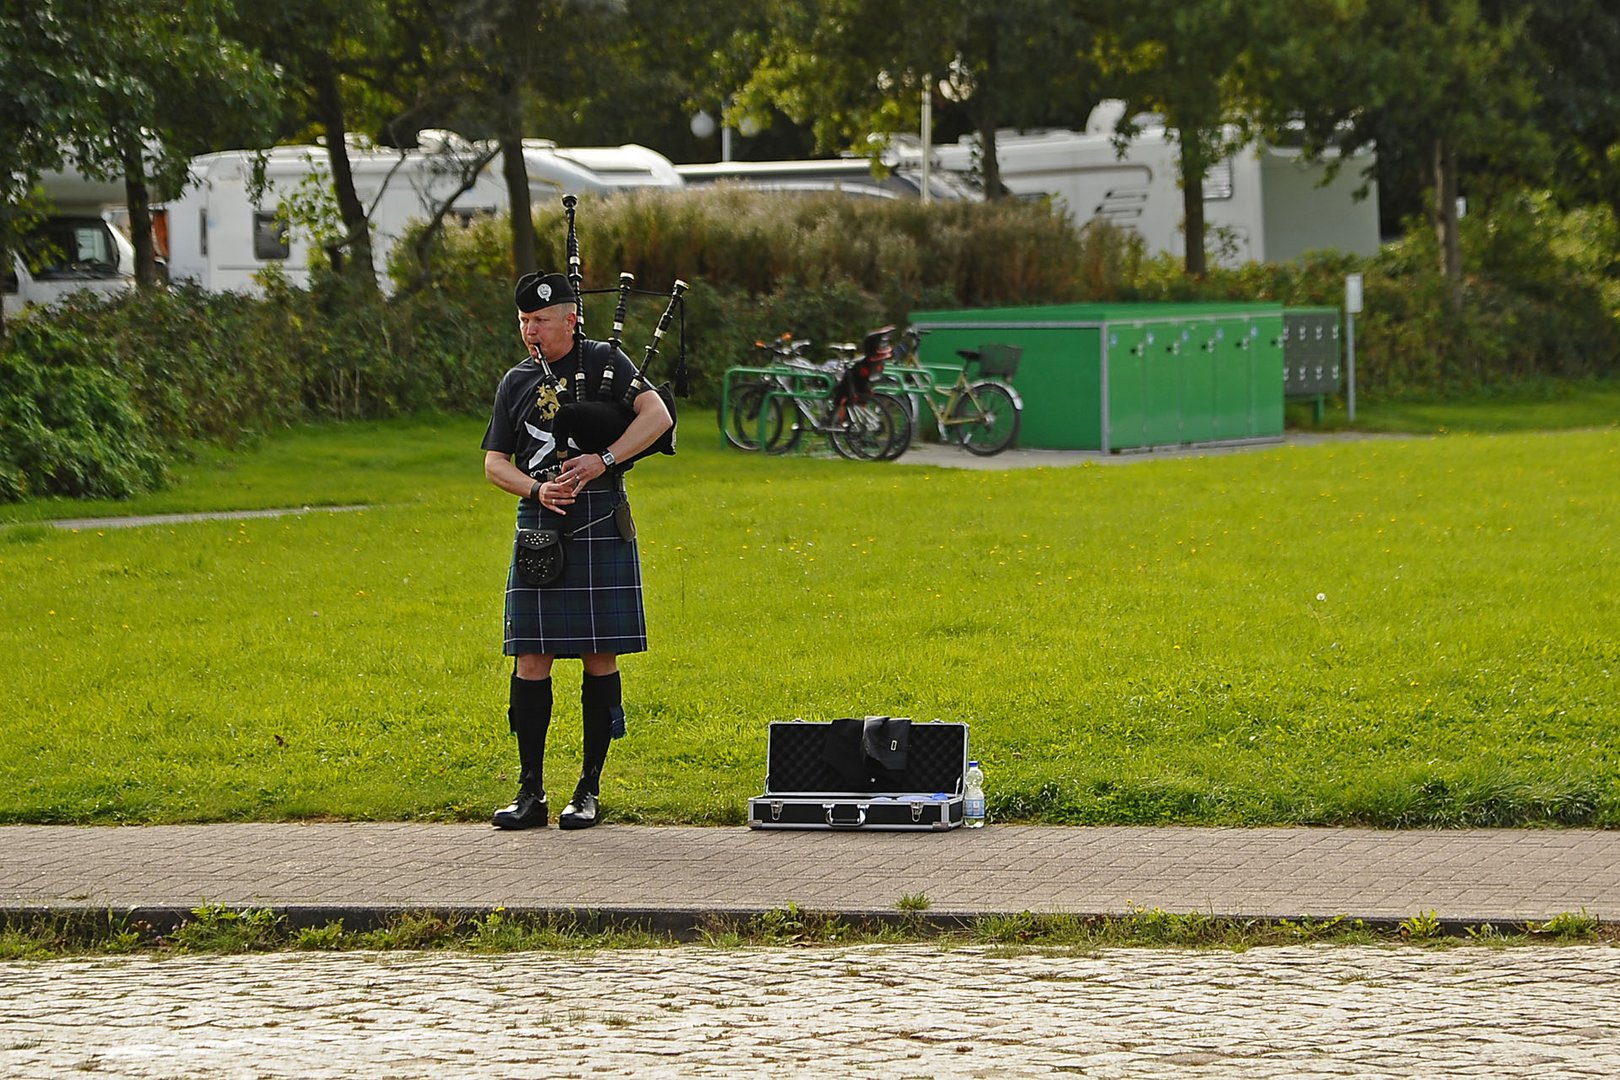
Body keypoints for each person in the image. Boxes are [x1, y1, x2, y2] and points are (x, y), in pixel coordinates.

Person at [481, 271, 673, 830]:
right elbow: (495, 463)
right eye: (523, 321)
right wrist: (537, 488)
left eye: (540, 321)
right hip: (541, 518)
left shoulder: (606, 363)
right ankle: (530, 791)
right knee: (532, 657)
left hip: (597, 515)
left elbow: (657, 417)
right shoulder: (515, 381)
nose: (530, 331)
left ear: (570, 318)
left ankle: (588, 788)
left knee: (598, 653)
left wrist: (603, 461)